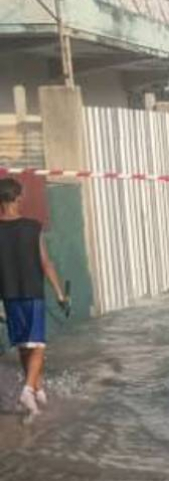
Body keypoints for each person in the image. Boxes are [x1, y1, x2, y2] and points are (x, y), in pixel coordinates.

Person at [0, 178, 67, 419]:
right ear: (18, 198)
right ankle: (27, 390)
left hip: (9, 296)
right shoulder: (32, 227)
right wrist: (60, 294)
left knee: (23, 347)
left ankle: (37, 394)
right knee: (38, 345)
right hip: (32, 293)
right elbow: (46, 263)